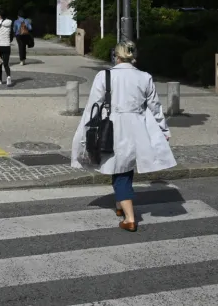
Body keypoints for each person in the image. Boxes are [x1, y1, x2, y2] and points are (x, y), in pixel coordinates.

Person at [71, 41, 175, 231]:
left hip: (111, 126)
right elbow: (155, 107)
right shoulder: (145, 77)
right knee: (124, 166)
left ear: (116, 56)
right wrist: (163, 130)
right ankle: (120, 205)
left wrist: (84, 131)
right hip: (137, 126)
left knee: (120, 170)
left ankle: (130, 218)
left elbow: (93, 106)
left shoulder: (105, 75)